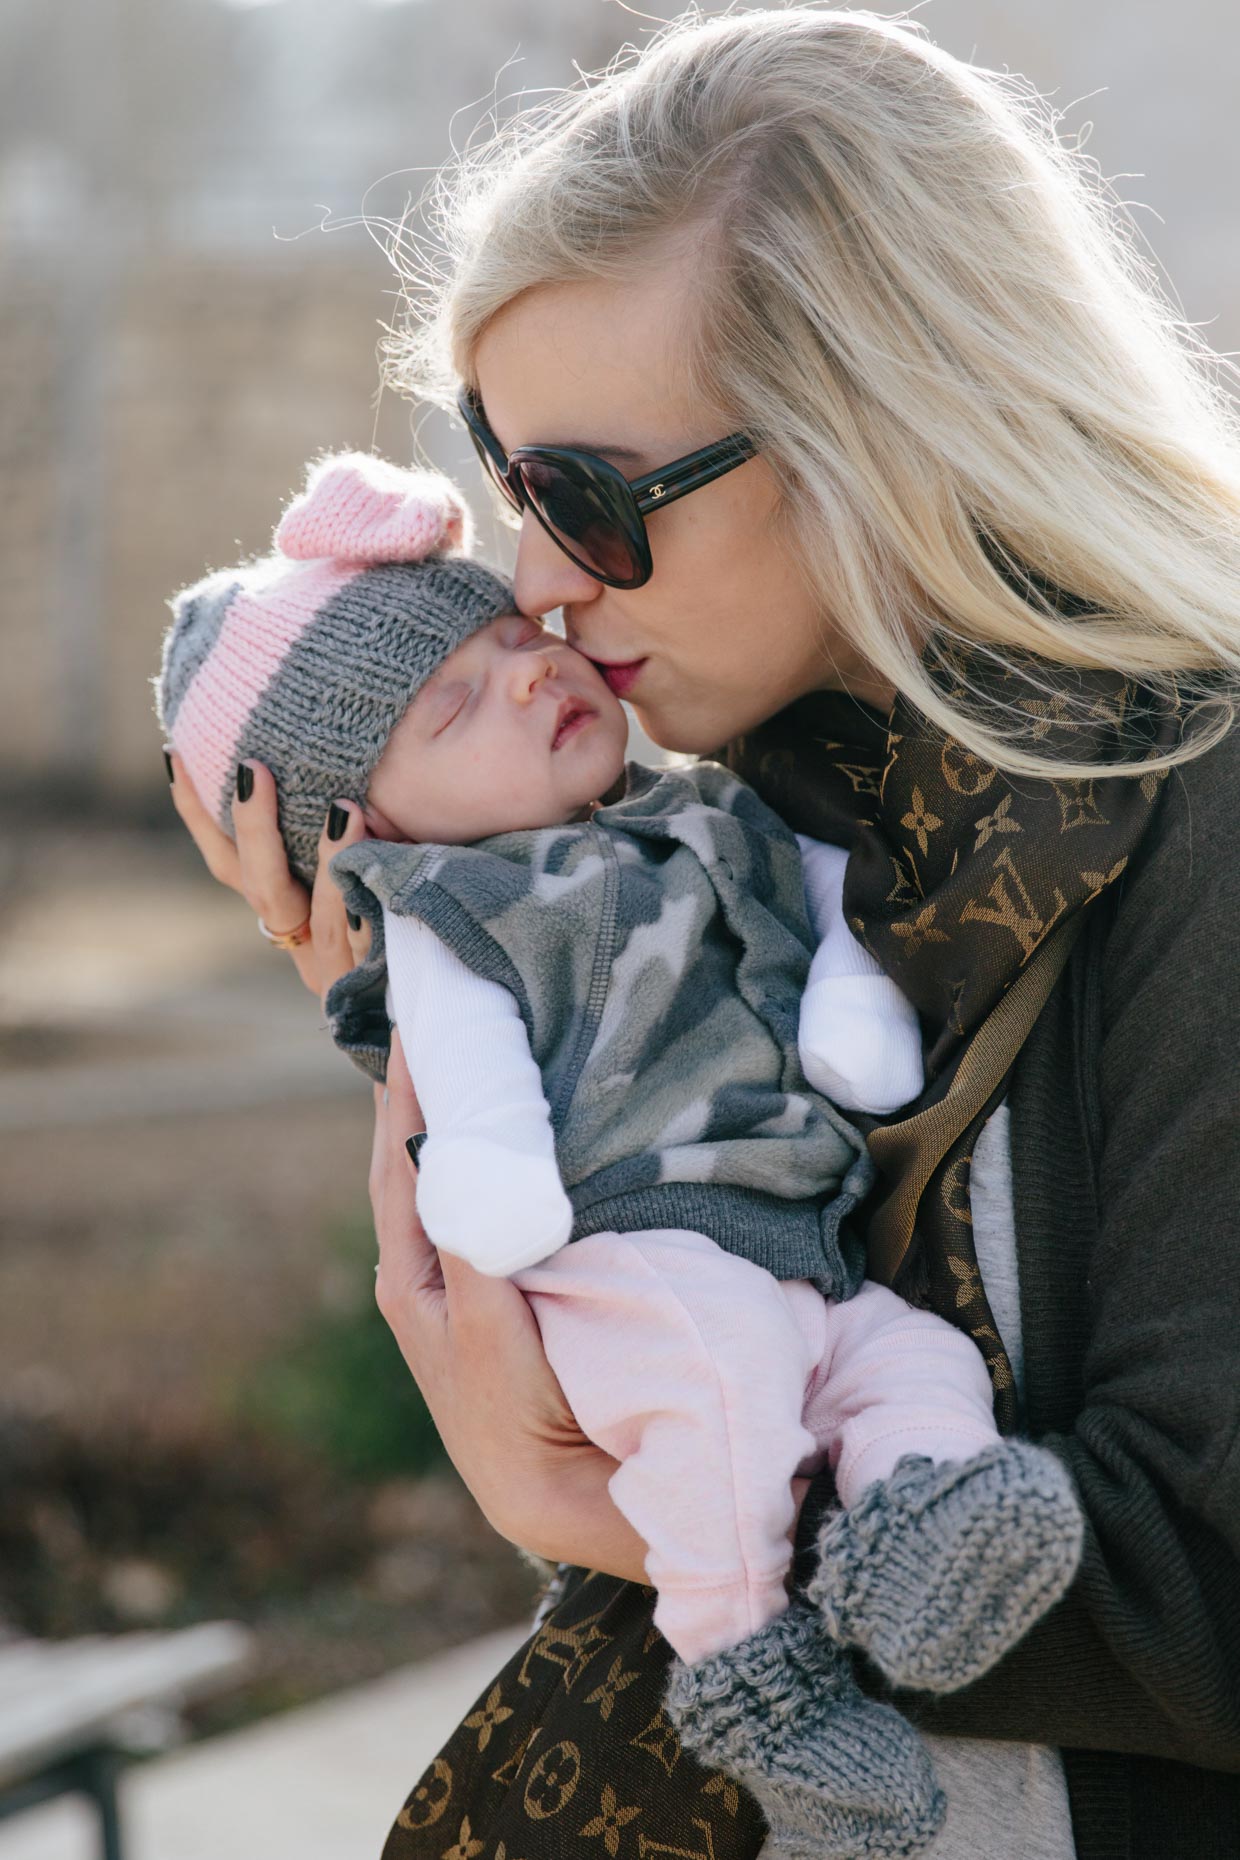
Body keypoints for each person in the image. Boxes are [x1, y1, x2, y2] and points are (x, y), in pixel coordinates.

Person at [166, 8, 1240, 1858]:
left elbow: (1204, 1586)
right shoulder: (751, 808)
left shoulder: (1195, 821)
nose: (537, 582)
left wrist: (640, 1509)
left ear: (884, 425)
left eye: (591, 499)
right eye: (512, 485)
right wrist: (406, 976)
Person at [159, 447, 1082, 1856]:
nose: (533, 668)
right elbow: (461, 1080)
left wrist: (847, 1005)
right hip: (634, 1260)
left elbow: (823, 898)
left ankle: (928, 1523)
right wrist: (427, 1083)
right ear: (368, 833)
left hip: (799, 1252)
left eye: (514, 641)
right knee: (718, 1394)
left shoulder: (707, 806)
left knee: (912, 1362)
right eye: (457, 701)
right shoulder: (459, 912)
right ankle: (754, 1675)